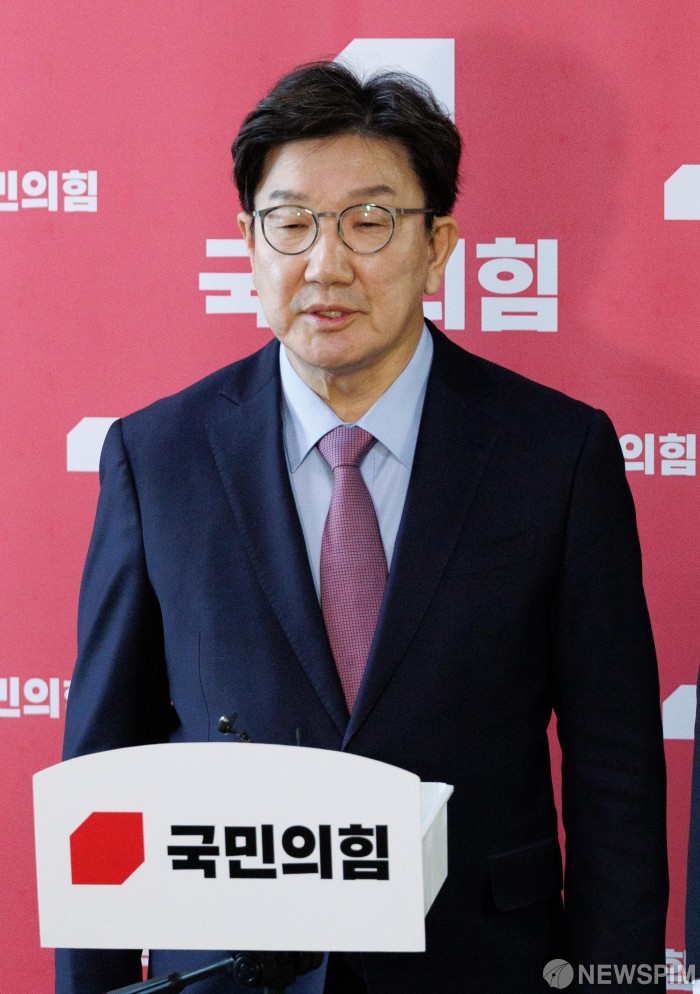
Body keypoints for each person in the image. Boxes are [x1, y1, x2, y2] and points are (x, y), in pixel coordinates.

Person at [56, 61, 668, 994]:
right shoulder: (158, 456)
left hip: (480, 966)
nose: (326, 264)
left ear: (437, 245)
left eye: (369, 221)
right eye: (291, 223)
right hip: (227, 971)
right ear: (249, 244)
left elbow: (614, 774)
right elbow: (102, 770)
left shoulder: (556, 453)